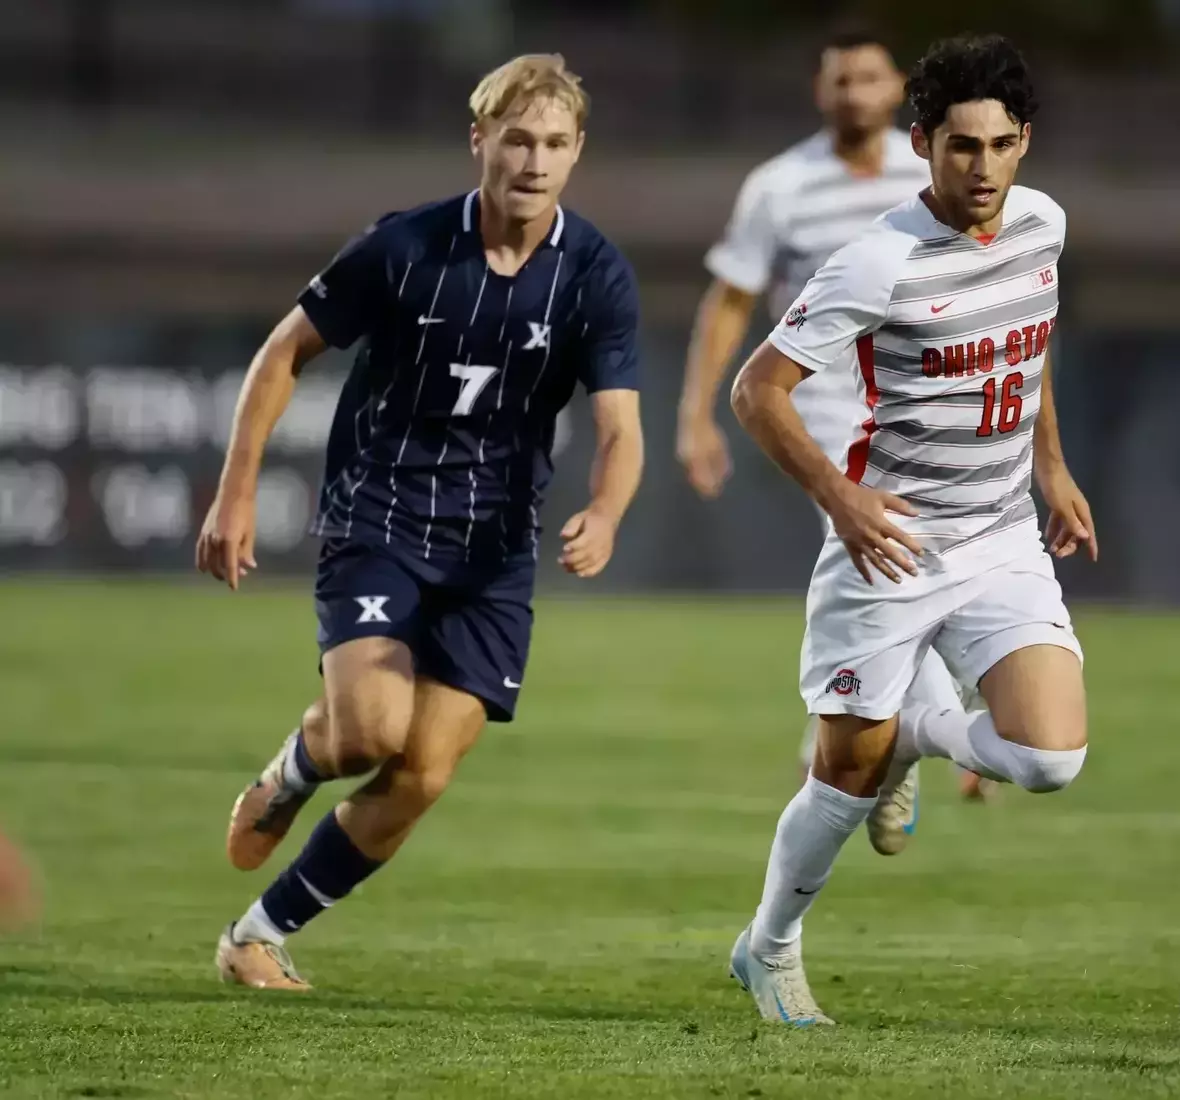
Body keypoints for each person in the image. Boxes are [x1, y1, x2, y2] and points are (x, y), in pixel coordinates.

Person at [196, 53, 644, 991]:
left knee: (425, 772)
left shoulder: (595, 274)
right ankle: (296, 767)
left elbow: (619, 429)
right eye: (516, 139)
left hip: (494, 552)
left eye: (554, 143)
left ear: (577, 153)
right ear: (479, 141)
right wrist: (236, 493)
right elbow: (282, 354)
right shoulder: (405, 248)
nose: (533, 161)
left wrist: (605, 511)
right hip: (381, 517)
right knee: (368, 732)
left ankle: (256, 936)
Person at [724, 33, 1096, 1025]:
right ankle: (769, 946)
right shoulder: (877, 261)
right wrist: (842, 500)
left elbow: (1027, 348)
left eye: (1002, 145)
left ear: (1025, 142)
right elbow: (756, 391)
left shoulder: (1043, 225)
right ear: (923, 140)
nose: (983, 168)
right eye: (962, 146)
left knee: (1052, 758)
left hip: (1001, 536)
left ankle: (915, 735)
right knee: (842, 776)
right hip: (892, 546)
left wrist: (1052, 466)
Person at [677, 26, 991, 850]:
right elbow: (732, 300)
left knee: (924, 563)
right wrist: (696, 414)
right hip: (823, 409)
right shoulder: (779, 186)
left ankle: (862, 734)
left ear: (897, 89)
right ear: (821, 92)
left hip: (926, 397)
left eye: (868, 78)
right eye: (840, 79)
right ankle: (923, 734)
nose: (854, 92)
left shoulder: (930, 171)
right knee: (889, 555)